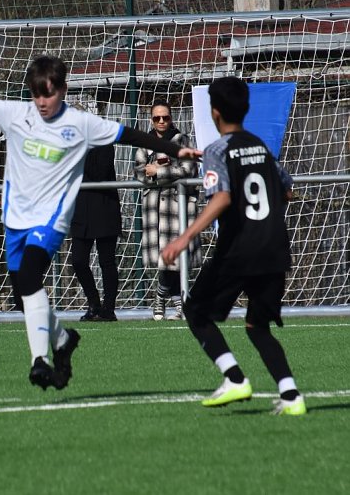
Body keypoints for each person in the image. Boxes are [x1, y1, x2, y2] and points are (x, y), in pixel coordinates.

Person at [0, 55, 200, 391]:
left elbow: (128, 134)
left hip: (51, 219)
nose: (43, 102)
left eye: (50, 94)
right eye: (38, 94)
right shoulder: (16, 114)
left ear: (63, 89)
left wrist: (174, 151)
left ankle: (39, 360)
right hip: (15, 219)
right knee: (22, 295)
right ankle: (63, 339)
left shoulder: (81, 124)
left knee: (29, 276)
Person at [162, 76, 305, 416]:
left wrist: (183, 239)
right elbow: (286, 191)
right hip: (274, 248)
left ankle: (235, 378)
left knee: (195, 310)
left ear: (214, 113)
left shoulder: (217, 150)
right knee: (257, 326)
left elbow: (222, 197)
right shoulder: (261, 147)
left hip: (239, 250)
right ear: (246, 108)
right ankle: (291, 396)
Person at [134, 99, 202, 321]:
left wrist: (159, 172)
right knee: (166, 257)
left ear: (171, 119)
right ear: (151, 120)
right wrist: (157, 172)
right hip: (155, 208)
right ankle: (176, 301)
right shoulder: (144, 143)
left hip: (178, 207)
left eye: (165, 117)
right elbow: (140, 173)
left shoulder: (182, 140)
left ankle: (162, 297)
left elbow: (188, 169)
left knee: (177, 256)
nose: (161, 121)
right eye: (157, 118)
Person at [69, 143, 121, 321]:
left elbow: (100, 172)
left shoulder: (104, 142)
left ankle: (109, 308)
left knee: (106, 261)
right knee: (78, 260)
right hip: (81, 211)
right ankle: (94, 304)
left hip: (104, 208)